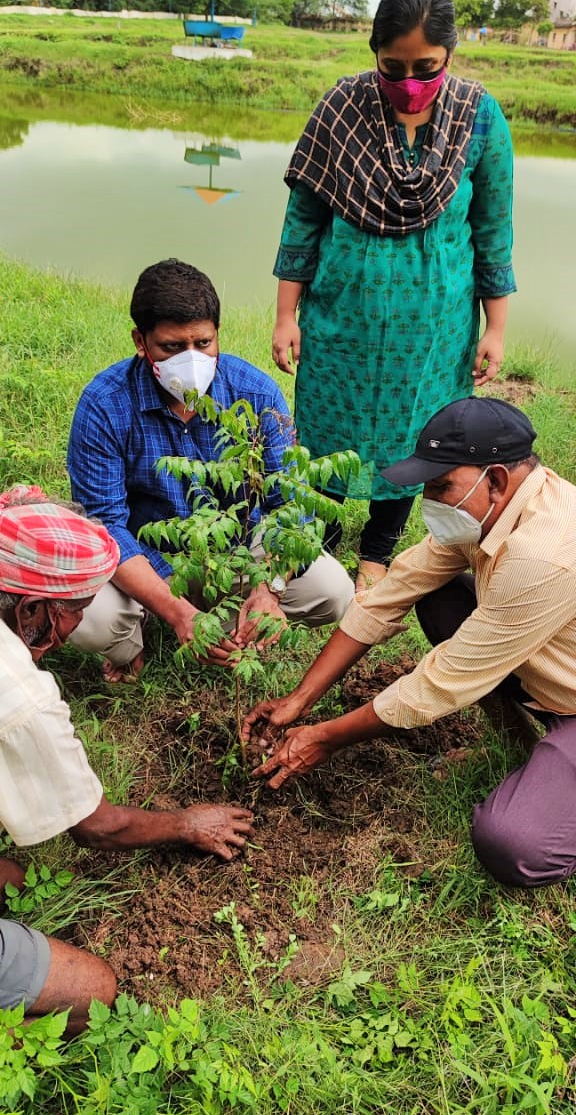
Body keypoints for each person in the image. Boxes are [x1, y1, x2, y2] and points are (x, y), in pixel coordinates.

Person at [243, 397, 576, 890]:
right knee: (440, 597)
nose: (433, 502)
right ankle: (523, 747)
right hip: (552, 670)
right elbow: (390, 594)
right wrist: (300, 699)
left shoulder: (545, 555)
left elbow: (441, 682)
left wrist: (324, 737)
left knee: (513, 843)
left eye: (442, 486)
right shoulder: (495, 507)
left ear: (498, 479)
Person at [272, 0, 516, 593]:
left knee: (417, 435)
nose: (410, 83)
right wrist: (285, 315)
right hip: (340, 319)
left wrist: (496, 328)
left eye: (426, 67)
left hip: (434, 332)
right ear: (374, 53)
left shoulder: (479, 119)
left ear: (450, 55)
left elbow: (493, 231)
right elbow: (302, 220)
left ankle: (378, 551)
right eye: (393, 66)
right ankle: (320, 543)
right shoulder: (340, 109)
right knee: (328, 427)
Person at [0, 486, 254, 1029]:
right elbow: (97, 828)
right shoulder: (20, 696)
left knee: (14, 883)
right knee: (94, 992)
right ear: (31, 609)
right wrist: (188, 824)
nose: (69, 635)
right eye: (75, 614)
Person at [68, 259, 353, 684]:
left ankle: (243, 619)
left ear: (218, 334)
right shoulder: (104, 405)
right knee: (94, 620)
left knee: (333, 590)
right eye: (171, 347)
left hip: (238, 551)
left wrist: (268, 588)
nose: (191, 359)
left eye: (203, 343)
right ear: (141, 342)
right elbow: (105, 525)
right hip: (148, 560)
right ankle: (138, 636)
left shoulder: (255, 394)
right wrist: (177, 610)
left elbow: (290, 506)